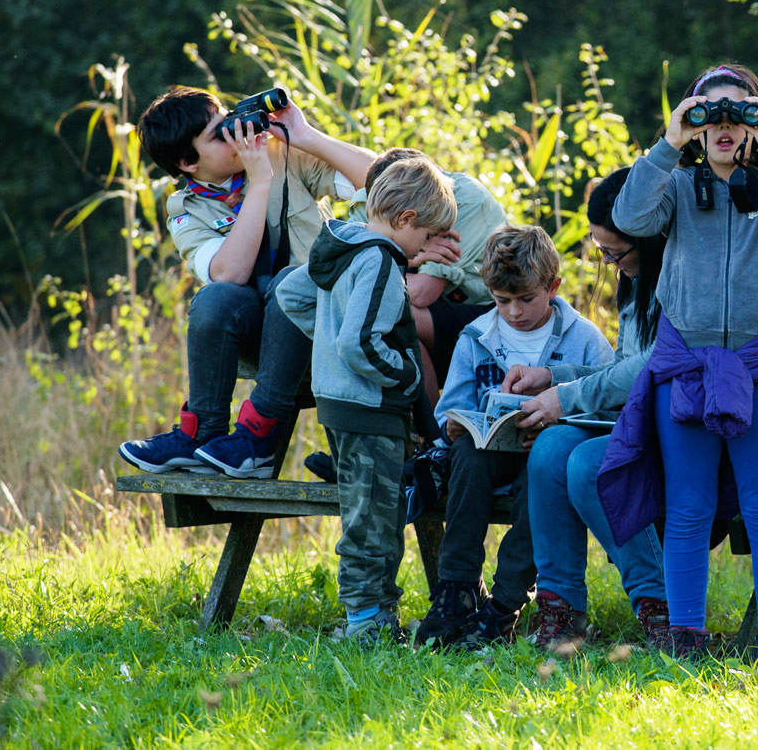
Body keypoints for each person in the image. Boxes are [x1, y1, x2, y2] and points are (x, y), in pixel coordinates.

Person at [597, 63, 758, 660]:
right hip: (686, 370)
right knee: (688, 506)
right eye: (711, 112)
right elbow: (629, 218)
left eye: (742, 112)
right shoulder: (677, 187)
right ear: (695, 123)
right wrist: (667, 143)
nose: (725, 124)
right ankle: (686, 639)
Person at [118, 86, 375, 478]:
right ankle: (200, 434)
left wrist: (306, 137)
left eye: (228, 118)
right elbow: (229, 274)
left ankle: (258, 437)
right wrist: (258, 184)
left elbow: (380, 183)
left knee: (291, 283)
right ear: (188, 162)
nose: (236, 132)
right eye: (218, 133)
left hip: (321, 326)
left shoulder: (282, 156)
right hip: (259, 338)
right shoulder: (186, 210)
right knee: (213, 300)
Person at [275, 157, 457, 643]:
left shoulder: (345, 247)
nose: (426, 251)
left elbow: (291, 294)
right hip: (370, 408)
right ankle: (366, 623)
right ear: (406, 221)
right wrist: (405, 377)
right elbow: (361, 343)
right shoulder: (379, 260)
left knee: (368, 510)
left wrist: (329, 345)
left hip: (343, 403)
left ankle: (370, 615)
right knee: (374, 520)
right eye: (426, 238)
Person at [416, 224, 614, 649]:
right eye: (502, 300)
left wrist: (557, 422)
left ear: (554, 287)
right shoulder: (477, 336)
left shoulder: (583, 339)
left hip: (547, 456)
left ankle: (504, 603)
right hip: (488, 453)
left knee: (540, 483)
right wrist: (454, 423)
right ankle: (458, 586)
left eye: (526, 299)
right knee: (466, 454)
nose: (514, 312)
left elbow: (607, 405)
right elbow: (451, 405)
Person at [499, 168, 670, 653]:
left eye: (617, 252)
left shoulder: (677, 279)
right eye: (603, 253)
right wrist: (553, 378)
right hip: (635, 421)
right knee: (551, 449)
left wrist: (564, 397)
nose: (612, 263)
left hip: (680, 429)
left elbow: (649, 367)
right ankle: (560, 606)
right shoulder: (635, 282)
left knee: (590, 463)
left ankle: (658, 604)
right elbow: (622, 365)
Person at [347, 148, 509, 404]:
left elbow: (421, 293)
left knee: (400, 315)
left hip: (487, 310)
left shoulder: (460, 200)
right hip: (432, 306)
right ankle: (427, 432)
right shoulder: (367, 199)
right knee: (387, 310)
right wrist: (416, 256)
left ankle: (431, 429)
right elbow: (353, 281)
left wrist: (398, 258)